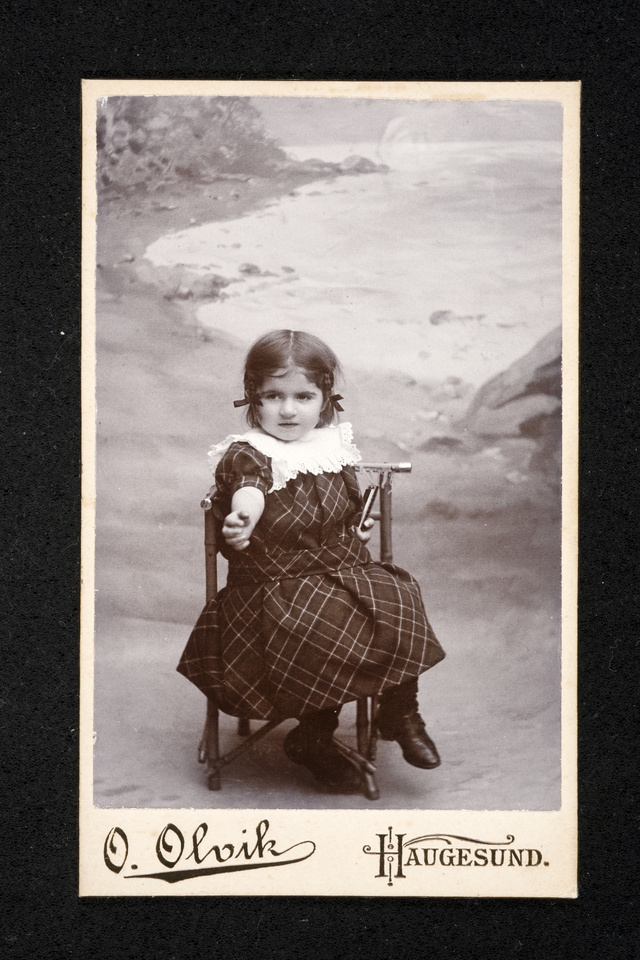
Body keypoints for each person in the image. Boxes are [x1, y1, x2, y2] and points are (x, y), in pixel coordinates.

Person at [177, 329, 445, 791]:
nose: (287, 409)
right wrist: (242, 517)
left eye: (303, 396)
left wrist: (355, 528)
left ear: (324, 399)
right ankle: (314, 737)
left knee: (400, 595)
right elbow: (250, 492)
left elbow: (344, 508)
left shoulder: (331, 447)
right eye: (272, 396)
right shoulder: (249, 455)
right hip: (275, 583)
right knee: (321, 622)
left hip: (340, 569)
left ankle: (400, 713)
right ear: (252, 399)